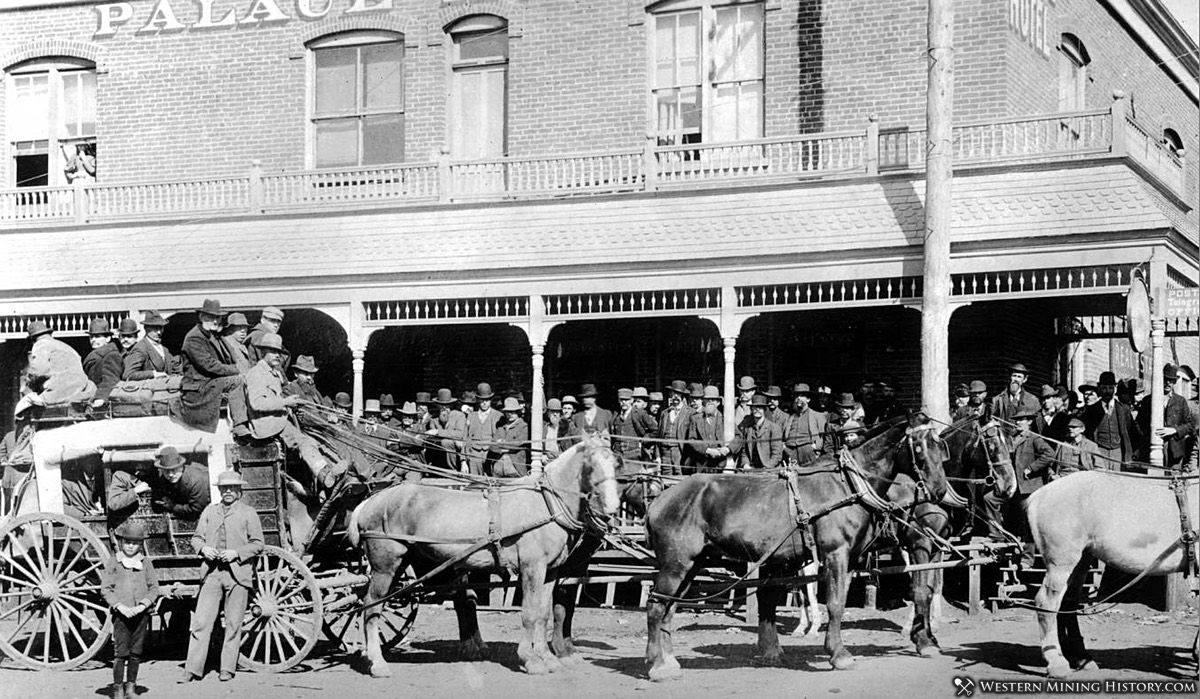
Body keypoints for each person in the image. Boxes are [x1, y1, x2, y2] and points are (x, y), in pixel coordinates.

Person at [183, 470, 263, 683]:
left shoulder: (248, 513)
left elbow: (258, 543)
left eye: (232, 488)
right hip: (212, 573)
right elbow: (196, 538)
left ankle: (227, 668)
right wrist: (203, 550)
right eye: (224, 488)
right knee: (201, 621)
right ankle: (192, 669)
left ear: (239, 491)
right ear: (219, 490)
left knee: (233, 623)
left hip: (238, 576)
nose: (228, 491)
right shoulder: (210, 512)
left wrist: (236, 553)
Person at [231, 333, 334, 486]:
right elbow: (256, 404)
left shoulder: (275, 373)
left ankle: (323, 476)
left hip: (277, 420)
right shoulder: (256, 374)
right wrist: (285, 402)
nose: (277, 355)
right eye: (273, 351)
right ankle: (324, 475)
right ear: (263, 352)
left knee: (311, 440)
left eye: (279, 352)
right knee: (303, 441)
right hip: (267, 424)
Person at [984, 409, 1055, 564]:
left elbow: (1049, 454)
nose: (1017, 423)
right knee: (989, 499)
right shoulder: (1011, 439)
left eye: (1022, 420)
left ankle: (1028, 559)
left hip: (1028, 487)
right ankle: (997, 536)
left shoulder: (1035, 438)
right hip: (1011, 485)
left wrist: (1032, 468)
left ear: (1029, 421)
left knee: (1027, 522)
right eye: (1016, 420)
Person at [101, 521, 158, 699]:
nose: (131, 547)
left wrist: (143, 605)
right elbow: (106, 589)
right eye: (127, 543)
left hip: (141, 615)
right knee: (120, 653)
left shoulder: (145, 563)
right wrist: (120, 607)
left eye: (135, 543)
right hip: (121, 615)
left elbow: (154, 588)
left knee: (136, 652)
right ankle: (118, 688)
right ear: (121, 543)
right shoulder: (114, 562)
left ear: (140, 545)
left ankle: (131, 688)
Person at [180, 299, 242, 433]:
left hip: (210, 382)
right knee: (238, 381)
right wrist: (236, 371)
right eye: (211, 317)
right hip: (199, 387)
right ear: (202, 317)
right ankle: (240, 425)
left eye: (218, 317)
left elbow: (228, 359)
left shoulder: (211, 335)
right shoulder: (194, 337)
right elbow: (209, 365)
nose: (215, 321)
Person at [16, 321, 95, 415]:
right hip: (82, 392)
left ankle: (27, 429)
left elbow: (39, 371)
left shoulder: (40, 345)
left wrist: (29, 381)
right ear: (49, 334)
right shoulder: (66, 347)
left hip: (59, 392)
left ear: (33, 339)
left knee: (23, 406)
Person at [1082, 371, 1134, 470]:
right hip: (1099, 450)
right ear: (1099, 388)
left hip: (1117, 452)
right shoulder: (1091, 410)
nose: (1107, 391)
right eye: (1104, 388)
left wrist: (1128, 455)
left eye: (1110, 388)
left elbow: (1128, 431)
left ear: (1114, 389)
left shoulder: (1123, 409)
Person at [142, 446, 210, 520]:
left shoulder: (195, 480)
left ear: (181, 467)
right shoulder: (163, 478)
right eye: (166, 471)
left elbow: (196, 510)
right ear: (161, 470)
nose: (170, 474)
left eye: (174, 470)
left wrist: (172, 506)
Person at [1155, 364, 1197, 471]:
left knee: (1173, 481)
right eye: (1165, 379)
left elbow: (1190, 425)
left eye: (1171, 380)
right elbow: (1139, 423)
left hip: (1175, 450)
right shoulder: (1149, 400)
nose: (1168, 383)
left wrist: (1174, 430)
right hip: (1154, 448)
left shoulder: (1180, 401)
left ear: (1175, 383)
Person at [729, 393, 783, 470]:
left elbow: (777, 455)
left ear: (765, 410)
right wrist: (745, 464)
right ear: (751, 409)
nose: (757, 410)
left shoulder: (774, 428)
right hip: (752, 468)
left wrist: (766, 468)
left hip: (769, 470)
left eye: (760, 407)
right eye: (755, 407)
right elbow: (744, 451)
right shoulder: (748, 428)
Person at [123, 311, 179, 380]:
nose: (159, 332)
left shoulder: (164, 349)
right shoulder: (141, 348)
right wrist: (153, 374)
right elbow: (128, 374)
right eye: (155, 328)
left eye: (161, 328)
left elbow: (174, 366)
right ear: (146, 328)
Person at [684, 386, 728, 473]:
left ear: (718, 402)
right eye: (707, 400)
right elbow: (691, 440)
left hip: (720, 464)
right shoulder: (695, 419)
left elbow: (738, 437)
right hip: (701, 465)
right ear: (703, 402)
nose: (710, 402)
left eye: (713, 400)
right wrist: (707, 450)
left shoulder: (725, 419)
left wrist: (727, 449)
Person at [783, 383, 827, 466]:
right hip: (790, 451)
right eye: (796, 396)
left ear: (808, 399)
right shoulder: (790, 417)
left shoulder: (818, 416)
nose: (799, 398)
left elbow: (824, 436)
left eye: (802, 396)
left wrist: (814, 447)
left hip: (807, 452)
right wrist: (785, 448)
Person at [83, 318, 124, 405]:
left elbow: (110, 380)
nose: (93, 340)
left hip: (101, 403)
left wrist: (100, 398)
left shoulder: (111, 355)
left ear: (108, 338)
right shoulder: (96, 355)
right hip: (90, 399)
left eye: (97, 337)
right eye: (91, 337)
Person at [463, 383, 501, 475]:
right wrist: (463, 461)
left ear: (491, 400)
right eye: (482, 400)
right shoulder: (471, 416)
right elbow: (465, 438)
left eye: (487, 400)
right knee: (474, 485)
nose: (484, 402)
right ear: (478, 400)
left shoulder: (498, 416)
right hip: (473, 456)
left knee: (491, 485)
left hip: (491, 456)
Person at [425, 388, 466, 472]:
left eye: (447, 405)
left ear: (451, 405)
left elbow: (460, 434)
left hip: (456, 454)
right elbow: (433, 438)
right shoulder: (434, 419)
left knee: (446, 442)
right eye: (441, 405)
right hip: (439, 453)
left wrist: (438, 432)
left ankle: (453, 470)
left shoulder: (459, 416)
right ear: (437, 405)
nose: (444, 408)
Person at [658, 380, 693, 476]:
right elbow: (659, 436)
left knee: (679, 477)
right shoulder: (665, 413)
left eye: (678, 394)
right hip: (665, 451)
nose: (675, 396)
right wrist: (657, 455)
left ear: (683, 396)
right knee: (665, 477)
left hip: (679, 451)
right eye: (673, 393)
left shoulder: (690, 412)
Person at [990, 363, 1041, 428]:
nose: (1016, 379)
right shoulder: (997, 399)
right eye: (1014, 376)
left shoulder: (1033, 400)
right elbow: (992, 420)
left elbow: (1037, 425)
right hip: (1004, 436)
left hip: (1023, 437)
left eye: (1019, 377)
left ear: (1024, 380)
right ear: (1009, 377)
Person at [492, 397, 529, 477]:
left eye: (513, 412)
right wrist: (506, 446)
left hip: (515, 467)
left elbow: (518, 444)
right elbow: (492, 446)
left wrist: (501, 443)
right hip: (499, 466)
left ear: (518, 412)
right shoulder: (501, 427)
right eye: (507, 412)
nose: (510, 414)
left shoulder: (523, 426)